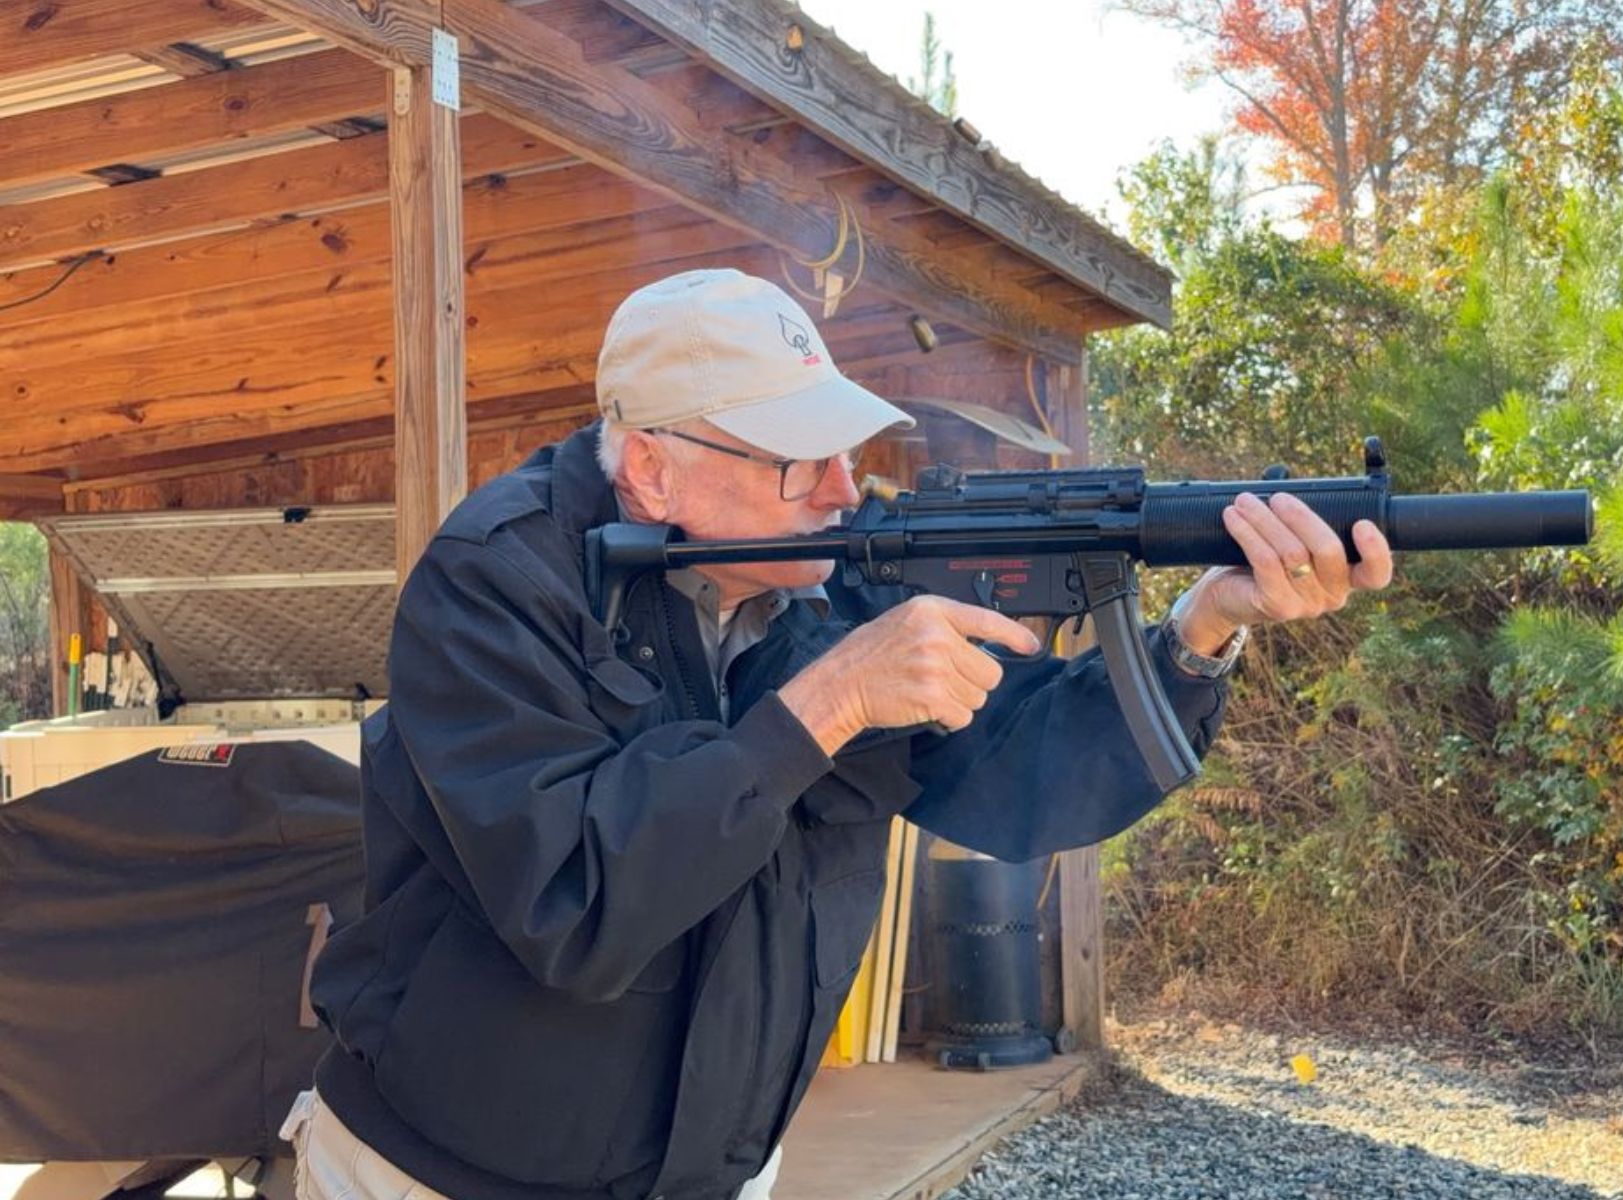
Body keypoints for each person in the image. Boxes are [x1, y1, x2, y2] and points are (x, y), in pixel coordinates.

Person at [284, 268, 1395, 1200]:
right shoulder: (493, 582)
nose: (840, 487)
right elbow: (574, 904)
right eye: (791, 459)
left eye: (841, 444)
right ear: (652, 466)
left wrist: (1200, 632)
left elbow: (1013, 778)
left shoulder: (826, 572)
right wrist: (824, 707)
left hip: (713, 1169)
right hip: (441, 1176)